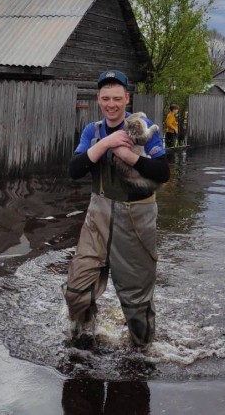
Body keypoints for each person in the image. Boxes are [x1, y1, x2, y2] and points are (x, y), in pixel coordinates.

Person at [63, 69, 170, 350]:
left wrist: (130, 157)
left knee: (136, 303)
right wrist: (108, 144)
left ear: (127, 99)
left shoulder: (142, 126)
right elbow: (75, 170)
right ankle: (84, 339)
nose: (111, 104)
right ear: (98, 99)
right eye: (106, 98)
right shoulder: (92, 131)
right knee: (76, 291)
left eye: (117, 99)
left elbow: (163, 172)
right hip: (97, 219)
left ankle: (143, 352)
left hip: (136, 221)